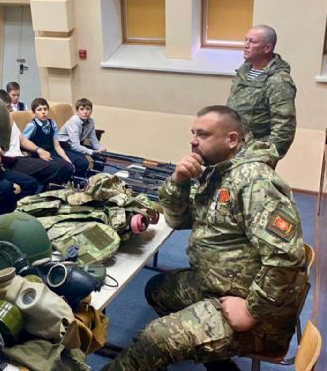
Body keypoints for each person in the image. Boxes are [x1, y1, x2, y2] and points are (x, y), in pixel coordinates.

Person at [102, 105, 306, 371]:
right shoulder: (219, 174)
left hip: (260, 313)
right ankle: (218, 362)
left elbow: (286, 257)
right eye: (193, 133)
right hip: (219, 285)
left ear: (232, 139)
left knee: (155, 339)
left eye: (203, 134)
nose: (193, 140)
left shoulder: (254, 181)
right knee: (158, 289)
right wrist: (179, 180)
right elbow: (178, 219)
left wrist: (251, 311)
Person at [226, 25, 296, 164]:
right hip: (232, 146)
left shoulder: (279, 81)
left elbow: (284, 128)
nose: (246, 45)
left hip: (253, 156)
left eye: (252, 42)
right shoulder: (244, 70)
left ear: (267, 48)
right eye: (246, 40)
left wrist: (263, 158)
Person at [0, 89, 72, 187]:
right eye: (4, 108)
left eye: (9, 107)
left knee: (65, 167)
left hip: (20, 157)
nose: (8, 111)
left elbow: (22, 140)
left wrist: (38, 150)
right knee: (57, 167)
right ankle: (45, 190)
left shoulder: (10, 118)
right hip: (10, 161)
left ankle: (46, 189)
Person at [22, 97, 74, 175]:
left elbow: (57, 146)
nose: (43, 112)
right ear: (33, 113)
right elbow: (23, 142)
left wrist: (67, 159)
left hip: (52, 151)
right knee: (64, 167)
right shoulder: (32, 125)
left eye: (45, 109)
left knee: (71, 164)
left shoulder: (52, 123)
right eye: (39, 110)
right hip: (40, 155)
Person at [58, 97, 106, 178]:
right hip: (64, 146)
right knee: (83, 161)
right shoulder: (73, 122)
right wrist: (92, 152)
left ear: (91, 111)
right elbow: (75, 146)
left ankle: (94, 178)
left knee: (101, 157)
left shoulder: (91, 122)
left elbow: (94, 140)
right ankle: (78, 181)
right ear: (77, 111)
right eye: (82, 109)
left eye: (88, 109)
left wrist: (100, 149)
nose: (85, 112)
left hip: (76, 144)